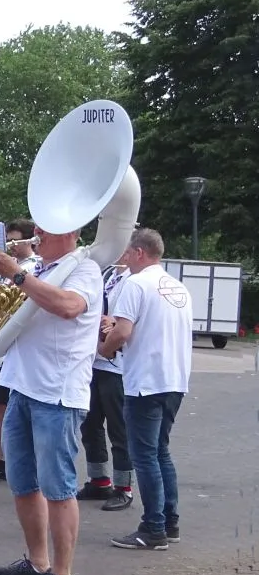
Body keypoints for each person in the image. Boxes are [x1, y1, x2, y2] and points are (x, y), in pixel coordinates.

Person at [0, 225, 102, 575]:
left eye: (43, 228)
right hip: (22, 387)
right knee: (23, 483)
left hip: (57, 393)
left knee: (58, 486)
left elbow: (67, 307)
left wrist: (19, 276)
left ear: (70, 231)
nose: (34, 233)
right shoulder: (42, 269)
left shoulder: (85, 269)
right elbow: (3, 325)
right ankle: (37, 564)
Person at [99, 228, 191, 550]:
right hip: (174, 381)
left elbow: (123, 332)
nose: (123, 258)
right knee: (161, 452)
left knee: (145, 457)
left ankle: (152, 528)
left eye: (127, 252)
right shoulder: (177, 286)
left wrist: (103, 349)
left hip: (145, 383)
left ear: (139, 252)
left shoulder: (135, 283)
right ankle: (170, 521)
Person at [0, 218, 41, 483]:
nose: (11, 246)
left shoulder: (35, 267)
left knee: (24, 408)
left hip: (23, 347)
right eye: (8, 241)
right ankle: (3, 459)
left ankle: (26, 461)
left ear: (29, 240)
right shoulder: (4, 270)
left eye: (15, 240)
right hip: (2, 347)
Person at [76, 255, 134, 512]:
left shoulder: (133, 280)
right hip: (95, 362)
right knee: (90, 424)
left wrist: (113, 323)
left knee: (118, 429)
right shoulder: (109, 275)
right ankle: (99, 480)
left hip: (117, 366)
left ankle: (124, 488)